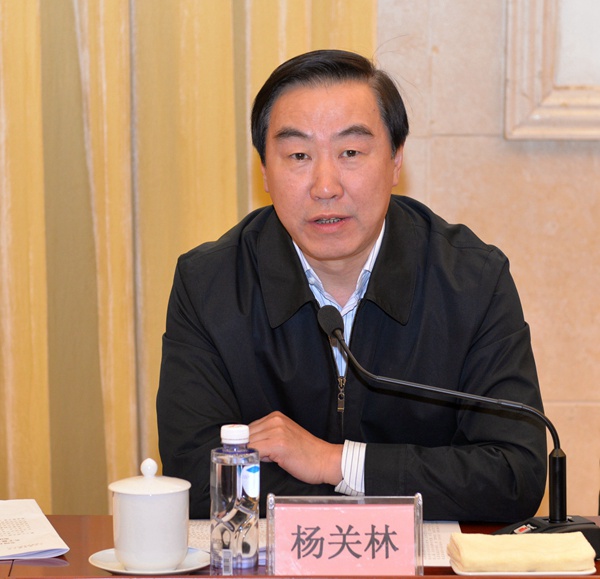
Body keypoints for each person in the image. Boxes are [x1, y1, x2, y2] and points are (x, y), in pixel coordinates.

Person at [157, 49, 547, 522]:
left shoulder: (471, 281)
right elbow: (198, 480)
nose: (325, 186)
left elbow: (515, 475)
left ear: (396, 160)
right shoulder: (210, 285)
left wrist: (336, 463)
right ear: (264, 170)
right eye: (298, 155)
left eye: (350, 153)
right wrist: (392, 488)